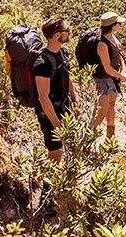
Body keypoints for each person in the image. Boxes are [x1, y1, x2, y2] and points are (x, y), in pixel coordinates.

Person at [34, 14, 79, 163]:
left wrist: (75, 101)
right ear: (57, 35)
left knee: (65, 149)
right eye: (67, 30)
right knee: (56, 153)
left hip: (65, 108)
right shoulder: (42, 63)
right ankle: (48, 184)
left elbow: (67, 77)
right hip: (49, 114)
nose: (69, 32)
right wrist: (56, 124)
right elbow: (43, 96)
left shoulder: (63, 52)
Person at [90, 11, 126, 139]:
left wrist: (123, 70)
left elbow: (119, 55)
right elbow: (107, 68)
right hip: (103, 79)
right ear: (112, 26)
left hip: (114, 77)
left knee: (111, 106)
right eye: (118, 23)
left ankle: (110, 137)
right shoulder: (102, 45)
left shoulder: (115, 37)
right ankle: (87, 140)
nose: (120, 25)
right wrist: (121, 76)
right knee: (102, 112)